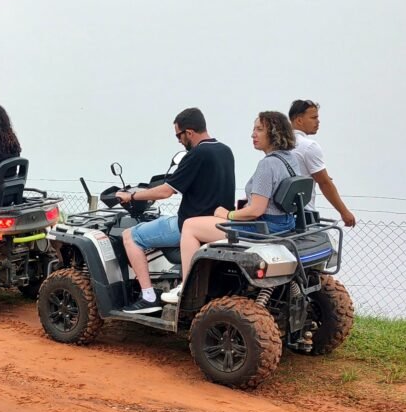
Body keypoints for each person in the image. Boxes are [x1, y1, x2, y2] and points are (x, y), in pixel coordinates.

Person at [168, 110, 307, 304]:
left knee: (190, 226)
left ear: (274, 133)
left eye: (259, 129)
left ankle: (185, 287)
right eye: (253, 129)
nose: (253, 134)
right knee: (212, 221)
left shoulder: (267, 165)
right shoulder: (290, 158)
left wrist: (229, 214)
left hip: (261, 227)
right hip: (284, 224)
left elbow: (256, 210)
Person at [115, 107, 235, 314]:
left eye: (178, 135)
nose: (178, 140)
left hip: (189, 225)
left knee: (130, 236)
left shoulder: (197, 154)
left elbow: (165, 192)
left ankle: (148, 297)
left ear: (189, 132)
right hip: (219, 224)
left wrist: (131, 196)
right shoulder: (225, 150)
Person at [288, 99, 357, 227]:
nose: (318, 121)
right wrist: (344, 212)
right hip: (303, 214)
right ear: (299, 120)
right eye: (313, 117)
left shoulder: (279, 144)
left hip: (280, 214)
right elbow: (324, 183)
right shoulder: (308, 146)